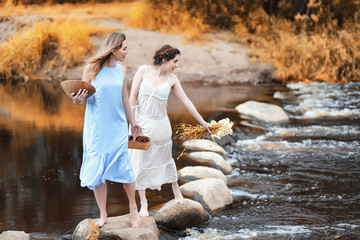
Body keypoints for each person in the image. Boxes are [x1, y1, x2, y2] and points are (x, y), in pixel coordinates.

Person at [129, 44, 210, 217]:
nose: (177, 65)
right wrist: (132, 121)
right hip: (141, 125)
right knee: (140, 161)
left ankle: (176, 191)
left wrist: (203, 122)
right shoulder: (143, 70)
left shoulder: (172, 79)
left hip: (161, 127)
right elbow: (132, 96)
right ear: (164, 60)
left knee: (166, 159)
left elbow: (186, 101)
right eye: (175, 61)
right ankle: (144, 202)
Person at [71, 32, 141, 228]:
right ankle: (103, 215)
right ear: (114, 49)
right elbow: (81, 99)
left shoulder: (122, 70)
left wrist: (133, 121)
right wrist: (77, 99)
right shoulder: (91, 68)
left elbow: (124, 99)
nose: (127, 52)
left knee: (126, 168)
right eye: (124, 48)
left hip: (117, 126)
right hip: (97, 129)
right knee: (98, 171)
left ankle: (133, 210)